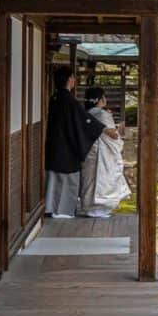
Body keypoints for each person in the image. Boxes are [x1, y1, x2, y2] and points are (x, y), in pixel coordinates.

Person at [43, 66, 115, 218]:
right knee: (66, 178)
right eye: (73, 77)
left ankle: (51, 207)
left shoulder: (55, 98)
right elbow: (85, 120)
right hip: (66, 145)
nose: (75, 80)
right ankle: (62, 210)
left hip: (55, 143)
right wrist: (105, 130)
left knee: (54, 179)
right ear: (69, 80)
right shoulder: (69, 101)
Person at [78, 87, 132, 217]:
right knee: (102, 180)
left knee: (89, 179)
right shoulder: (103, 114)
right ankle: (99, 209)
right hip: (103, 153)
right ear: (100, 99)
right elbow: (113, 136)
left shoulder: (87, 113)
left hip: (88, 151)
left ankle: (88, 207)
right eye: (104, 96)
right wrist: (119, 129)